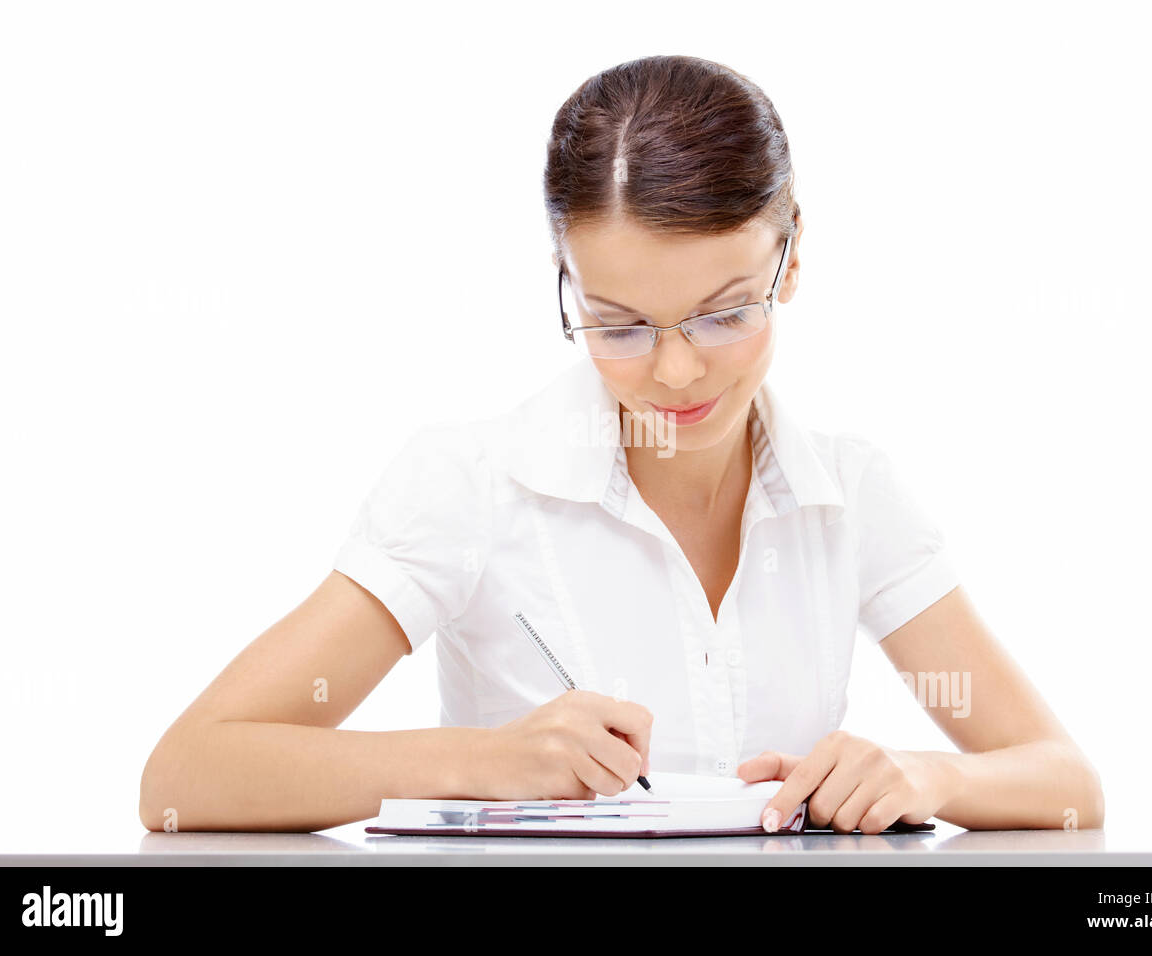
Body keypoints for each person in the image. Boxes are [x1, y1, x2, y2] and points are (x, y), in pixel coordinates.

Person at [139, 54, 1103, 835]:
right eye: (620, 325)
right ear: (564, 282)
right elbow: (190, 773)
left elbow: (1065, 783)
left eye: (726, 314)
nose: (677, 372)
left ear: (792, 259)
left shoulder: (850, 496)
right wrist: (484, 762)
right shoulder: (471, 487)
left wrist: (923, 776)